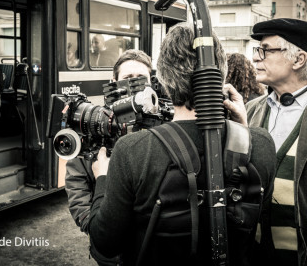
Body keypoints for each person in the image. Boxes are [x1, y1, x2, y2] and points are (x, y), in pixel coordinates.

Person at [88, 23, 276, 265]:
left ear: (163, 78)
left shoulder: (132, 151)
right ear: (220, 71)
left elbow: (105, 242)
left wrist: (102, 178)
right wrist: (243, 131)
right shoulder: (261, 143)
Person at [224, 18, 307, 266]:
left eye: (266, 50)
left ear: (299, 59)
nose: (257, 58)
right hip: (254, 254)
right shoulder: (249, 110)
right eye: (256, 51)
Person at [65, 49, 152, 266]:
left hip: (151, 248)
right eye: (128, 79)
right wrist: (90, 222)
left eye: (142, 79)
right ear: (113, 81)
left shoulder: (164, 124)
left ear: (152, 83)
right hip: (109, 254)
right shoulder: (93, 123)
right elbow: (76, 181)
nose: (134, 85)